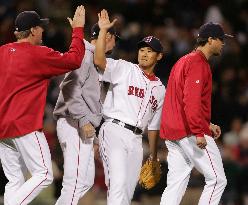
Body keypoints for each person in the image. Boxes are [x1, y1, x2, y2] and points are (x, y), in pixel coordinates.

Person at [0, 6, 86, 205]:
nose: (43, 30)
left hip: (3, 128)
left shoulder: (2, 52)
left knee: (15, 180)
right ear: (32, 31)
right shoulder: (37, 53)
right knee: (45, 173)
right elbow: (74, 60)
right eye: (40, 27)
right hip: (24, 125)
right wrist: (78, 30)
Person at [94, 9, 165, 205]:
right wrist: (102, 31)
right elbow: (99, 61)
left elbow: (153, 126)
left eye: (149, 51)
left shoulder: (160, 88)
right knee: (117, 184)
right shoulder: (125, 68)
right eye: (142, 49)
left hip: (136, 140)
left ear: (159, 56)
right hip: (114, 130)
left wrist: (153, 155)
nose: (143, 53)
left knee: (127, 190)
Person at [160, 22, 233, 205]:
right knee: (217, 180)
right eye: (221, 39)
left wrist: (207, 124)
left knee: (175, 185)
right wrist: (200, 131)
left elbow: (180, 100)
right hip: (190, 131)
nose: (223, 43)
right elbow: (191, 101)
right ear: (210, 40)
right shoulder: (197, 62)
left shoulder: (183, 60)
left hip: (174, 132)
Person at [53, 22, 118, 205]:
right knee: (74, 183)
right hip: (74, 121)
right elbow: (68, 88)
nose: (115, 44)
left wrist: (95, 136)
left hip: (80, 124)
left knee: (85, 181)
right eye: (114, 39)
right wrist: (82, 120)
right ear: (107, 37)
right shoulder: (85, 54)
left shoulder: (94, 58)